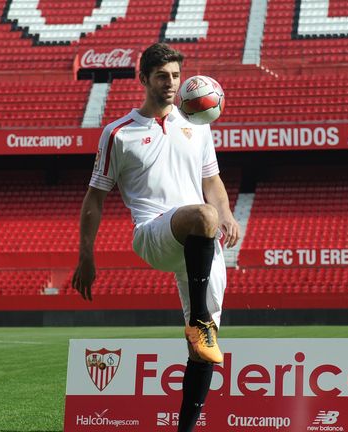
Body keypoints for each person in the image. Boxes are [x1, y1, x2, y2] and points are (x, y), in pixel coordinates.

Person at [71, 42, 239, 432]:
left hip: (202, 237)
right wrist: (86, 255)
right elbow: (95, 196)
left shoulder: (197, 125)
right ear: (143, 78)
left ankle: (185, 428)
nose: (170, 84)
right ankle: (198, 319)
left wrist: (227, 213)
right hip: (153, 233)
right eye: (162, 76)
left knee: (205, 353)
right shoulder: (118, 133)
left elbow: (211, 181)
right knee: (201, 215)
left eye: (176, 76)